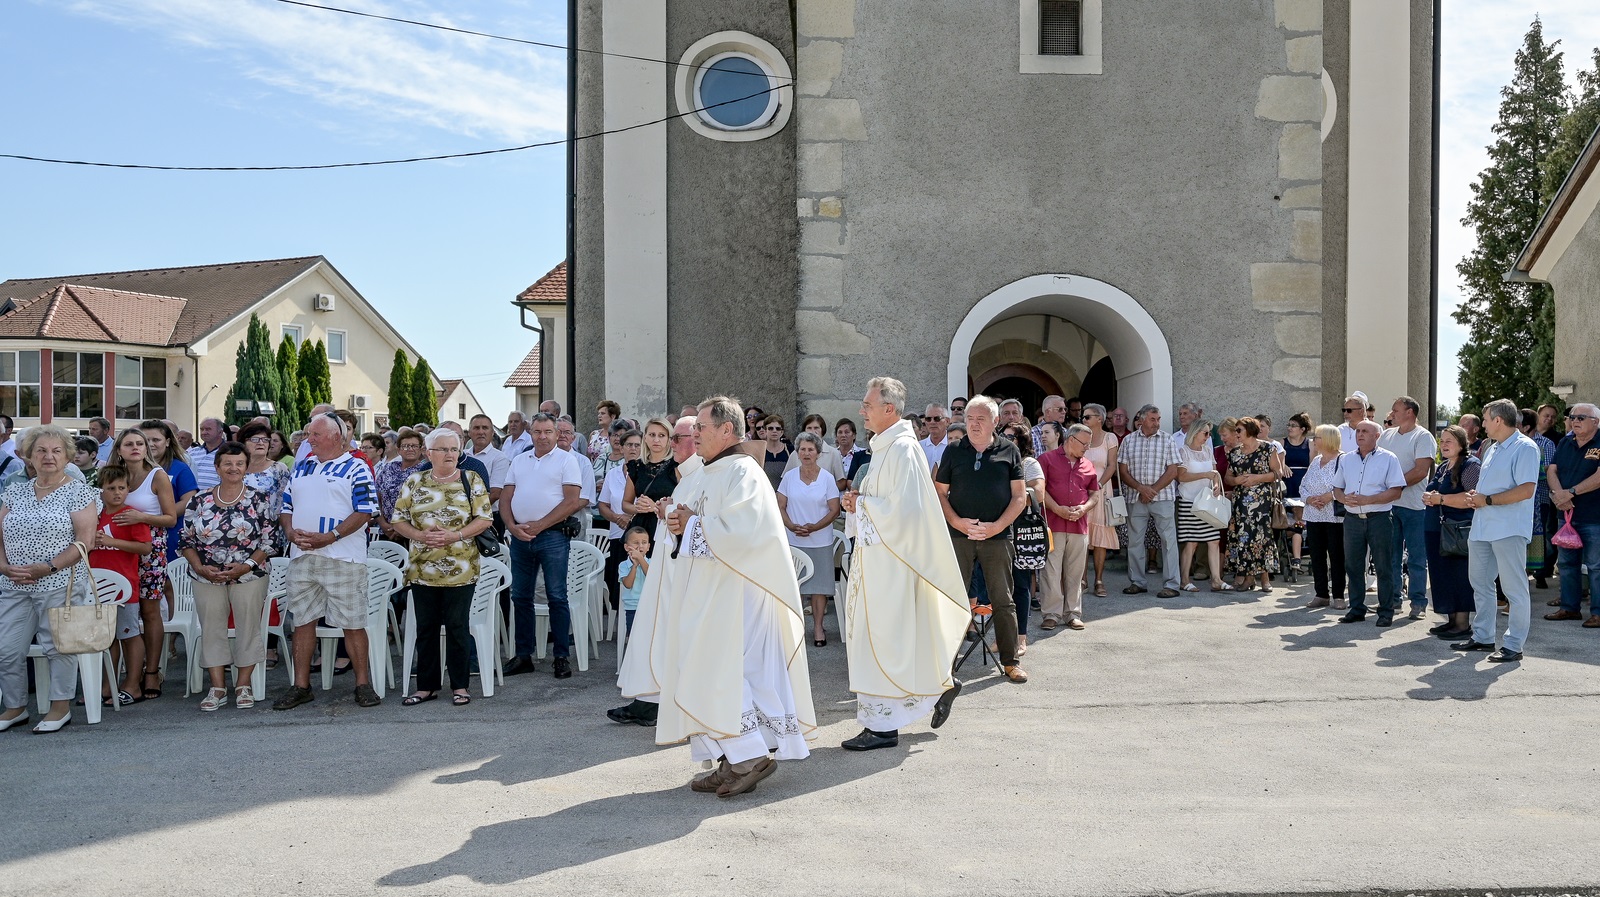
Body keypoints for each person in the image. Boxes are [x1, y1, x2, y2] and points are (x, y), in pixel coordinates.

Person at [656, 396, 817, 796]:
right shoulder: (714, 471)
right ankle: (732, 760)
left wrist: (693, 524)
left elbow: (743, 533)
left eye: (702, 428)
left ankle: (747, 757)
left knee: (720, 669)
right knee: (720, 669)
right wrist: (679, 521)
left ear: (727, 430)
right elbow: (701, 524)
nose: (695, 434)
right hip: (714, 590)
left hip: (738, 591)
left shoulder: (744, 471)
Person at [838, 377, 970, 750]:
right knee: (876, 640)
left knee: (887, 642)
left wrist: (862, 505)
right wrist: (858, 501)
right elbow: (885, 502)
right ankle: (937, 684)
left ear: (889, 409)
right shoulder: (884, 448)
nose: (862, 410)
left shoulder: (903, 450)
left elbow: (907, 513)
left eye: (867, 405)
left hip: (893, 569)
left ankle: (883, 728)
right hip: (877, 563)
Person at [273, 412, 381, 710]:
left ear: (337, 437)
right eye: (309, 434)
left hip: (342, 558)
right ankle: (301, 685)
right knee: (303, 621)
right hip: (303, 556)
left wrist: (330, 536)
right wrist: (290, 532)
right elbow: (286, 505)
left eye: (316, 435)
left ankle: (363, 684)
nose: (310, 439)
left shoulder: (356, 467)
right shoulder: (302, 467)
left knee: (352, 622)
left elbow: (365, 512)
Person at [0, 425, 100, 734]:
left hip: (60, 583)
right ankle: (15, 707)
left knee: (59, 647)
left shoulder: (80, 491)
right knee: (6, 648)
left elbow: (86, 542)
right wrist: (3, 566)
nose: (48, 456)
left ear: (68, 456)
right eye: (41, 450)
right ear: (28, 456)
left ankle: (60, 707)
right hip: (14, 584)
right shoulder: (14, 490)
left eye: (56, 451)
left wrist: (49, 567)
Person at [608, 419, 704, 728]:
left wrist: (665, 510)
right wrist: (663, 508)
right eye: (667, 437)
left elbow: (702, 519)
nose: (672, 443)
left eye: (677, 437)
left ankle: (661, 703)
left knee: (665, 632)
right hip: (664, 562)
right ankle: (649, 700)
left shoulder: (703, 473)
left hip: (682, 570)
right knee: (652, 630)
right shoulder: (685, 472)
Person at [390, 427, 495, 707]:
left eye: (454, 449)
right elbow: (398, 519)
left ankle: (460, 686)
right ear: (429, 453)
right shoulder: (415, 480)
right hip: (422, 568)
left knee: (458, 626)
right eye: (443, 449)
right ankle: (426, 686)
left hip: (461, 567)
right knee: (426, 628)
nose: (450, 454)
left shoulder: (470, 479)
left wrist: (454, 535)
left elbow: (484, 519)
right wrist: (421, 536)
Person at [935, 395, 1029, 682]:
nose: (974, 424)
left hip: (997, 537)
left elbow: (1019, 497)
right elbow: (939, 493)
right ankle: (943, 665)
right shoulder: (953, 450)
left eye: (981, 419)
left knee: (1003, 599)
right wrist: (957, 522)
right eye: (970, 419)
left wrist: (995, 526)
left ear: (995, 422)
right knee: (952, 599)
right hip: (959, 536)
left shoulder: (1009, 450)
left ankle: (1011, 661)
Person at [179, 442, 276, 712]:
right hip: (206, 575)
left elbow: (269, 542)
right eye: (228, 464)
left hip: (249, 575)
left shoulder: (259, 499)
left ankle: (243, 685)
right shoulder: (199, 500)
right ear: (217, 467)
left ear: (246, 467)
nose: (233, 468)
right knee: (212, 629)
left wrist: (245, 566)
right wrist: (199, 567)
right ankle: (217, 687)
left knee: (248, 627)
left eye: (239, 464)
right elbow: (184, 540)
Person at [1451, 400, 1540, 662]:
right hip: (1483, 526)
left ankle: (1514, 644)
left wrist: (1487, 500)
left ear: (1499, 420)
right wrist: (1477, 497)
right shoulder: (1492, 448)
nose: (1484, 424)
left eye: (1486, 419)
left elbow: (1526, 490)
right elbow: (1491, 488)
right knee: (1480, 583)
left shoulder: (1525, 448)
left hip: (1508, 528)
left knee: (1514, 589)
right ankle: (1483, 637)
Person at [500, 413, 586, 680]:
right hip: (520, 536)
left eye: (548, 431)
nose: (543, 436)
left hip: (552, 536)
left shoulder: (566, 460)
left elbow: (572, 501)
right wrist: (512, 527)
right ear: (531, 432)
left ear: (556, 434)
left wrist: (540, 525)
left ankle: (561, 656)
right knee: (520, 596)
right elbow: (505, 497)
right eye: (537, 431)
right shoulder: (519, 460)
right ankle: (524, 655)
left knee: (557, 595)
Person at [103, 428, 179, 701]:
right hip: (118, 553)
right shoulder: (115, 475)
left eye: (140, 443)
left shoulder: (157, 476)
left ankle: (151, 672)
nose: (135, 448)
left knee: (149, 612)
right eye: (129, 444)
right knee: (121, 615)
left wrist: (139, 516)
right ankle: (120, 677)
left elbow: (170, 518)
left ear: (147, 448)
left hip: (151, 549)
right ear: (120, 449)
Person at [1332, 420, 1407, 627]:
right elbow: (1337, 488)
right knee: (1353, 566)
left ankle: (1385, 611)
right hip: (1352, 520)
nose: (1360, 434)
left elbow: (1396, 491)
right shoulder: (1346, 459)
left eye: (1365, 431)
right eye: (1358, 431)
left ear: (1377, 436)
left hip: (1379, 519)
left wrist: (1368, 500)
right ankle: (1357, 609)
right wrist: (1342, 498)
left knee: (1383, 566)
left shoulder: (1388, 458)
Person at [90, 467, 154, 706]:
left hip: (124, 587)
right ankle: (108, 685)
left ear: (128, 490)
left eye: (121, 488)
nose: (117, 493)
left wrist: (111, 541)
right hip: (95, 587)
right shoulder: (94, 515)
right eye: (111, 489)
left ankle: (132, 684)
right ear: (101, 491)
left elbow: (145, 547)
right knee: (106, 638)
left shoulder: (131, 515)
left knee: (129, 634)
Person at [777, 432, 841, 646]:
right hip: (794, 541)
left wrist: (814, 527)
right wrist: (791, 526)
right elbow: (780, 506)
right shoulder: (789, 477)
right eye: (802, 449)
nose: (806, 453)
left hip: (820, 540)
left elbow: (834, 510)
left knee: (820, 588)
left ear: (818, 453)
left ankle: (819, 629)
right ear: (797, 452)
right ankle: (796, 630)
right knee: (796, 589)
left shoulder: (827, 478)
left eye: (810, 449)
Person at [1378, 396, 1437, 620]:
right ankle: (1394, 600)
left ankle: (1418, 602)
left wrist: (1393, 486)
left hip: (1415, 508)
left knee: (1416, 558)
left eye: (1395, 410)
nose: (1391, 414)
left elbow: (1421, 471)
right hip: (1389, 506)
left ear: (1410, 412)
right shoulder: (1387, 435)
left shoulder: (1423, 437)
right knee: (1390, 556)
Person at [1040, 422, 1101, 629]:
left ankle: (1072, 613)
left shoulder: (1088, 464)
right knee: (1051, 570)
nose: (1087, 447)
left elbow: (1095, 494)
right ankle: (1051, 613)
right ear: (1071, 440)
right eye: (1084, 443)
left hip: (1079, 524)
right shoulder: (1047, 459)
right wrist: (1057, 509)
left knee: (1075, 571)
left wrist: (1084, 509)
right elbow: (1039, 490)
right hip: (1053, 523)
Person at [1421, 426, 1480, 639]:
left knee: (1459, 574)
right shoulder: (1444, 466)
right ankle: (1451, 620)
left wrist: (1441, 499)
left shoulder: (1471, 465)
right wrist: (1429, 497)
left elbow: (1473, 498)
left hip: (1458, 530)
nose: (1444, 444)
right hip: (1435, 528)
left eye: (1449, 441)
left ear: (1462, 444)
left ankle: (1463, 624)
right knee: (1441, 574)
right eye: (1442, 441)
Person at [1119, 405, 1183, 598]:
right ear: (1142, 419)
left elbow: (1173, 471)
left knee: (1169, 541)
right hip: (1135, 497)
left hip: (1162, 497)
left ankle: (1172, 584)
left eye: (1158, 419)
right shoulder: (1129, 441)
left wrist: (1151, 490)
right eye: (1153, 419)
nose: (1157, 423)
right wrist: (1141, 489)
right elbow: (1123, 471)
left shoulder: (1167, 439)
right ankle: (1137, 582)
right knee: (1135, 541)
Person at [1546, 402, 1600, 626]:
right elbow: (1552, 469)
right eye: (1573, 417)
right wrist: (1559, 495)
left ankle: (1597, 613)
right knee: (1567, 564)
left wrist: (1571, 492)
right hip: (1566, 515)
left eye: (1581, 417)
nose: (1575, 420)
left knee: (1596, 567)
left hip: (1594, 517)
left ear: (1596, 422)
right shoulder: (1566, 442)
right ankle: (1569, 608)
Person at [1224, 418, 1281, 592]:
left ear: (1249, 430)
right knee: (1244, 538)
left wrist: (1258, 478)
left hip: (1261, 501)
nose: (1236, 434)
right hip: (1241, 502)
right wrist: (1236, 480)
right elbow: (1227, 478)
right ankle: (1249, 578)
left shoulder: (1267, 449)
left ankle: (1265, 579)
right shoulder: (1235, 453)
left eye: (1239, 430)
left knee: (1261, 537)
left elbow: (1277, 473)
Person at [1001, 422, 1043, 651]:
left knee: (1020, 585)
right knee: (999, 587)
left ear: (1022, 441)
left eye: (1012, 437)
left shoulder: (1029, 463)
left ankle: (1021, 637)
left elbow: (1039, 493)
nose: (1006, 440)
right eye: (1004, 435)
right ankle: (1002, 637)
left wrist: (1012, 492)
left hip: (1021, 532)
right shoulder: (996, 459)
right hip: (997, 530)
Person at [1299, 425, 1348, 610]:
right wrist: (1309, 498)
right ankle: (1321, 594)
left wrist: (1330, 496)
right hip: (1313, 515)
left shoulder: (1343, 460)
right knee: (1317, 557)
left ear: (1327, 439)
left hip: (1334, 517)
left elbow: (1348, 485)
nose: (1313, 441)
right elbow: (1303, 485)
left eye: (1317, 437)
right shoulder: (1316, 461)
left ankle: (1338, 596)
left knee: (1337, 557)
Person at [1175, 421, 1228, 592]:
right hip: (1189, 501)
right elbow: (1181, 476)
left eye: (1209, 433)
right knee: (1191, 542)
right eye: (1205, 433)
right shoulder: (1184, 451)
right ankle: (1184, 580)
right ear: (1196, 432)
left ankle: (1216, 580)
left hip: (1206, 502)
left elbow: (1214, 474)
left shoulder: (1207, 450)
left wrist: (1216, 485)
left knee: (1214, 540)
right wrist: (1205, 474)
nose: (1208, 437)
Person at [1077, 404, 1121, 596]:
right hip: (1082, 491)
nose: (1083, 420)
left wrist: (1099, 485)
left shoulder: (1109, 438)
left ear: (1099, 419)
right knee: (1083, 537)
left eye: (1087, 417)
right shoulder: (1080, 437)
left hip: (1102, 490)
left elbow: (1112, 466)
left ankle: (1099, 580)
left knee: (1100, 538)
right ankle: (1083, 579)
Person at [598, 429, 641, 610]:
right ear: (621, 448)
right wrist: (617, 518)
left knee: (639, 586)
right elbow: (602, 505)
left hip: (641, 538)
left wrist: (630, 517)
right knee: (620, 586)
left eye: (637, 445)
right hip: (618, 535)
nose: (633, 449)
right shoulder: (613, 474)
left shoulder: (649, 473)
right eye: (628, 445)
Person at [624, 418, 679, 550]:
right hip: (640, 532)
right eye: (652, 435)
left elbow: (684, 502)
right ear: (645, 438)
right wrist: (638, 508)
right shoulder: (636, 466)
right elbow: (625, 504)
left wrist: (655, 507)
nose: (656, 440)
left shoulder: (677, 466)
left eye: (661, 435)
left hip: (664, 528)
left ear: (669, 439)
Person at [375, 429, 427, 543]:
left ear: (420, 449)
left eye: (414, 446)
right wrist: (383, 524)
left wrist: (403, 529)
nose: (410, 449)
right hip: (386, 530)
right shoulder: (389, 468)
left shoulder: (425, 470)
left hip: (413, 534)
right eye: (405, 446)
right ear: (398, 449)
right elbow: (376, 497)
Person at [238, 421, 292, 518]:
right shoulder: (235, 469)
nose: (261, 443)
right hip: (241, 525)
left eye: (265, 440)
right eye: (255, 439)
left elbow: (286, 502)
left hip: (271, 526)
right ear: (243, 443)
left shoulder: (279, 469)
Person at [1283, 412, 1312, 568]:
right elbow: (1277, 461)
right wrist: (1283, 466)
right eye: (1289, 425)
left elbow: (1313, 464)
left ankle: (1299, 540)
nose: (1289, 428)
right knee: (1291, 511)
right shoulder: (1282, 443)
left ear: (1302, 429)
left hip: (1303, 481)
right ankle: (1294, 541)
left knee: (1300, 511)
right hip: (1288, 482)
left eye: (1293, 426)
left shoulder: (1310, 444)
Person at [783, 414, 846, 484]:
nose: (812, 431)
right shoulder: (795, 454)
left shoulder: (834, 453)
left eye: (816, 428)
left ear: (822, 430)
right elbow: (786, 480)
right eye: (809, 428)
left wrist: (825, 491)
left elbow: (842, 482)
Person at [616, 525, 651, 636]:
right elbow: (628, 584)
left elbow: (651, 577)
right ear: (627, 547)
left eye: (644, 542)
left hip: (650, 606)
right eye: (636, 543)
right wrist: (634, 566)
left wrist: (640, 559)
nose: (640, 546)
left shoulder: (652, 562)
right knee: (633, 637)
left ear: (648, 546)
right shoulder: (624, 565)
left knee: (649, 637)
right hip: (632, 608)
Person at [186, 418, 226, 491]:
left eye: (208, 429)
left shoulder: (230, 452)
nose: (204, 432)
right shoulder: (192, 452)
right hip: (193, 498)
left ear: (220, 432)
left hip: (219, 498)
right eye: (202, 429)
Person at [755, 414, 791, 488]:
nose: (774, 431)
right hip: (765, 494)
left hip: (786, 494)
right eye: (770, 428)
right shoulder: (759, 451)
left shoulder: (790, 450)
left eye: (778, 429)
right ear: (765, 431)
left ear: (782, 432)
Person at [835, 418, 869, 490]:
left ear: (854, 435)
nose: (843, 435)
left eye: (847, 432)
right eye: (840, 432)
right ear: (836, 436)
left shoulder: (863, 454)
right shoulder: (832, 455)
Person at [920, 404, 952, 470]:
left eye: (937, 419)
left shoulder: (952, 445)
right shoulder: (919, 446)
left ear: (947, 421)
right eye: (928, 419)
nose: (932, 422)